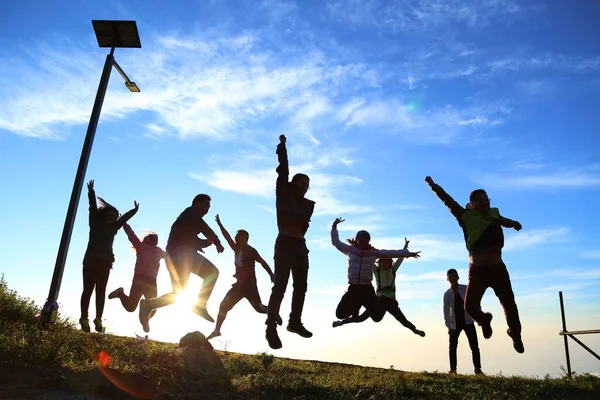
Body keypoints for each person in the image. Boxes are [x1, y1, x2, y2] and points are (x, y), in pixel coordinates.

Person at [425, 176, 524, 353]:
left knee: (509, 303)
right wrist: (433, 186)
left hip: (498, 268)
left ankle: (515, 334)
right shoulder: (465, 215)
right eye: (481, 200)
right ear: (472, 203)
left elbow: (503, 220)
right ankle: (484, 320)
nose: (486, 203)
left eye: (487, 200)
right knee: (470, 306)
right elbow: (447, 200)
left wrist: (514, 224)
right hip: (477, 271)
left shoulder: (494, 213)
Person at [138, 194, 225, 333]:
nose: (206, 209)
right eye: (204, 205)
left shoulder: (188, 222)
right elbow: (206, 229)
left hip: (174, 257)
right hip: (182, 254)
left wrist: (211, 242)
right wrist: (217, 242)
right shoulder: (191, 213)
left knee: (178, 294)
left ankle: (149, 304)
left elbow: (197, 240)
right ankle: (200, 305)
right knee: (213, 272)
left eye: (208, 207)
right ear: (195, 203)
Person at [265, 134, 316, 350]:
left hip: (300, 246)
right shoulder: (284, 192)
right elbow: (283, 169)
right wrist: (282, 147)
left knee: (301, 287)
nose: (304, 187)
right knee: (280, 287)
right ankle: (270, 328)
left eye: (307, 185)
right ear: (293, 183)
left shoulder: (307, 204)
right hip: (285, 242)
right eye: (301, 182)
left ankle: (294, 322)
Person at [331, 218, 421, 326]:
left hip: (367, 289)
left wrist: (408, 254)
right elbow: (336, 242)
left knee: (377, 317)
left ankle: (380, 300)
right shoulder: (350, 250)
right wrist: (334, 226)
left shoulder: (373, 252)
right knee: (340, 314)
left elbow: (390, 253)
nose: (364, 242)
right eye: (362, 240)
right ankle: (356, 306)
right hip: (353, 288)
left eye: (366, 240)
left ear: (369, 241)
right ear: (357, 240)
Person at [207, 214, 282, 340]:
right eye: (235, 237)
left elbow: (262, 262)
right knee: (223, 306)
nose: (235, 239)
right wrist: (220, 224)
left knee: (259, 309)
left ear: (244, 238)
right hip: (239, 285)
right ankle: (217, 330)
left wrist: (271, 274)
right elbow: (227, 237)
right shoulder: (236, 248)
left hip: (250, 287)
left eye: (238, 237)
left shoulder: (251, 251)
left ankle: (273, 313)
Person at [80, 179, 139, 333]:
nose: (114, 218)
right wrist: (91, 192)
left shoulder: (114, 227)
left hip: (105, 262)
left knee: (101, 291)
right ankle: (84, 318)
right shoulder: (94, 222)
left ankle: (98, 319)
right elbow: (92, 207)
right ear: (105, 214)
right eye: (112, 215)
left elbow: (123, 219)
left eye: (115, 216)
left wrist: (134, 211)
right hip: (91, 261)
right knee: (88, 290)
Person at [108, 222, 165, 324]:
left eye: (156, 238)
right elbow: (131, 235)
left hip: (151, 281)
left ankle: (145, 320)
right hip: (139, 279)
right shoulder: (140, 246)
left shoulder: (159, 251)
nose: (155, 239)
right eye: (152, 237)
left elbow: (171, 256)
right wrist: (124, 222)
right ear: (147, 239)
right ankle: (120, 293)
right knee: (130, 307)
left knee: (154, 306)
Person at [444, 268, 484, 375]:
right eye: (450, 276)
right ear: (448, 279)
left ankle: (478, 370)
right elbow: (446, 312)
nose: (452, 278)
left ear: (458, 277)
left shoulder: (465, 289)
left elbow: (475, 302)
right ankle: (453, 370)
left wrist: (478, 316)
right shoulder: (447, 294)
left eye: (454, 275)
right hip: (455, 324)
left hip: (468, 321)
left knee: (474, 346)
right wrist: (449, 327)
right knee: (452, 347)